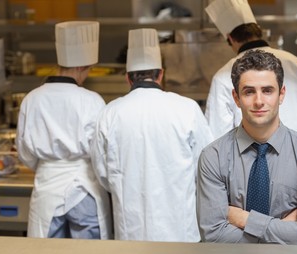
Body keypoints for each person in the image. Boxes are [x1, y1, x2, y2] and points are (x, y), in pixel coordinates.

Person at [91, 28, 213, 242]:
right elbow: (205, 164)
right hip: (179, 226)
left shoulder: (110, 112)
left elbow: (102, 172)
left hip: (131, 227)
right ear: (161, 74)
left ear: (128, 78)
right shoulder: (187, 108)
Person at [196, 49, 297, 244]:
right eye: (249, 92)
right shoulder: (213, 157)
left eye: (267, 90)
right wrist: (284, 227)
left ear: (281, 94)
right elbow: (214, 236)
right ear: (236, 98)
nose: (259, 101)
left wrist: (244, 219)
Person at [16, 21, 112, 239]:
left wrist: (48, 165)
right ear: (80, 67)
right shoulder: (92, 100)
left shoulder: (32, 99)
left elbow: (24, 152)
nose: (87, 74)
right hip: (85, 188)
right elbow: (100, 151)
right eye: (87, 69)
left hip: (47, 187)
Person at [204, 0, 297, 141]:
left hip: (253, 161)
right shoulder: (295, 62)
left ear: (230, 39)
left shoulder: (224, 75)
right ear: (259, 31)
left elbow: (218, 135)